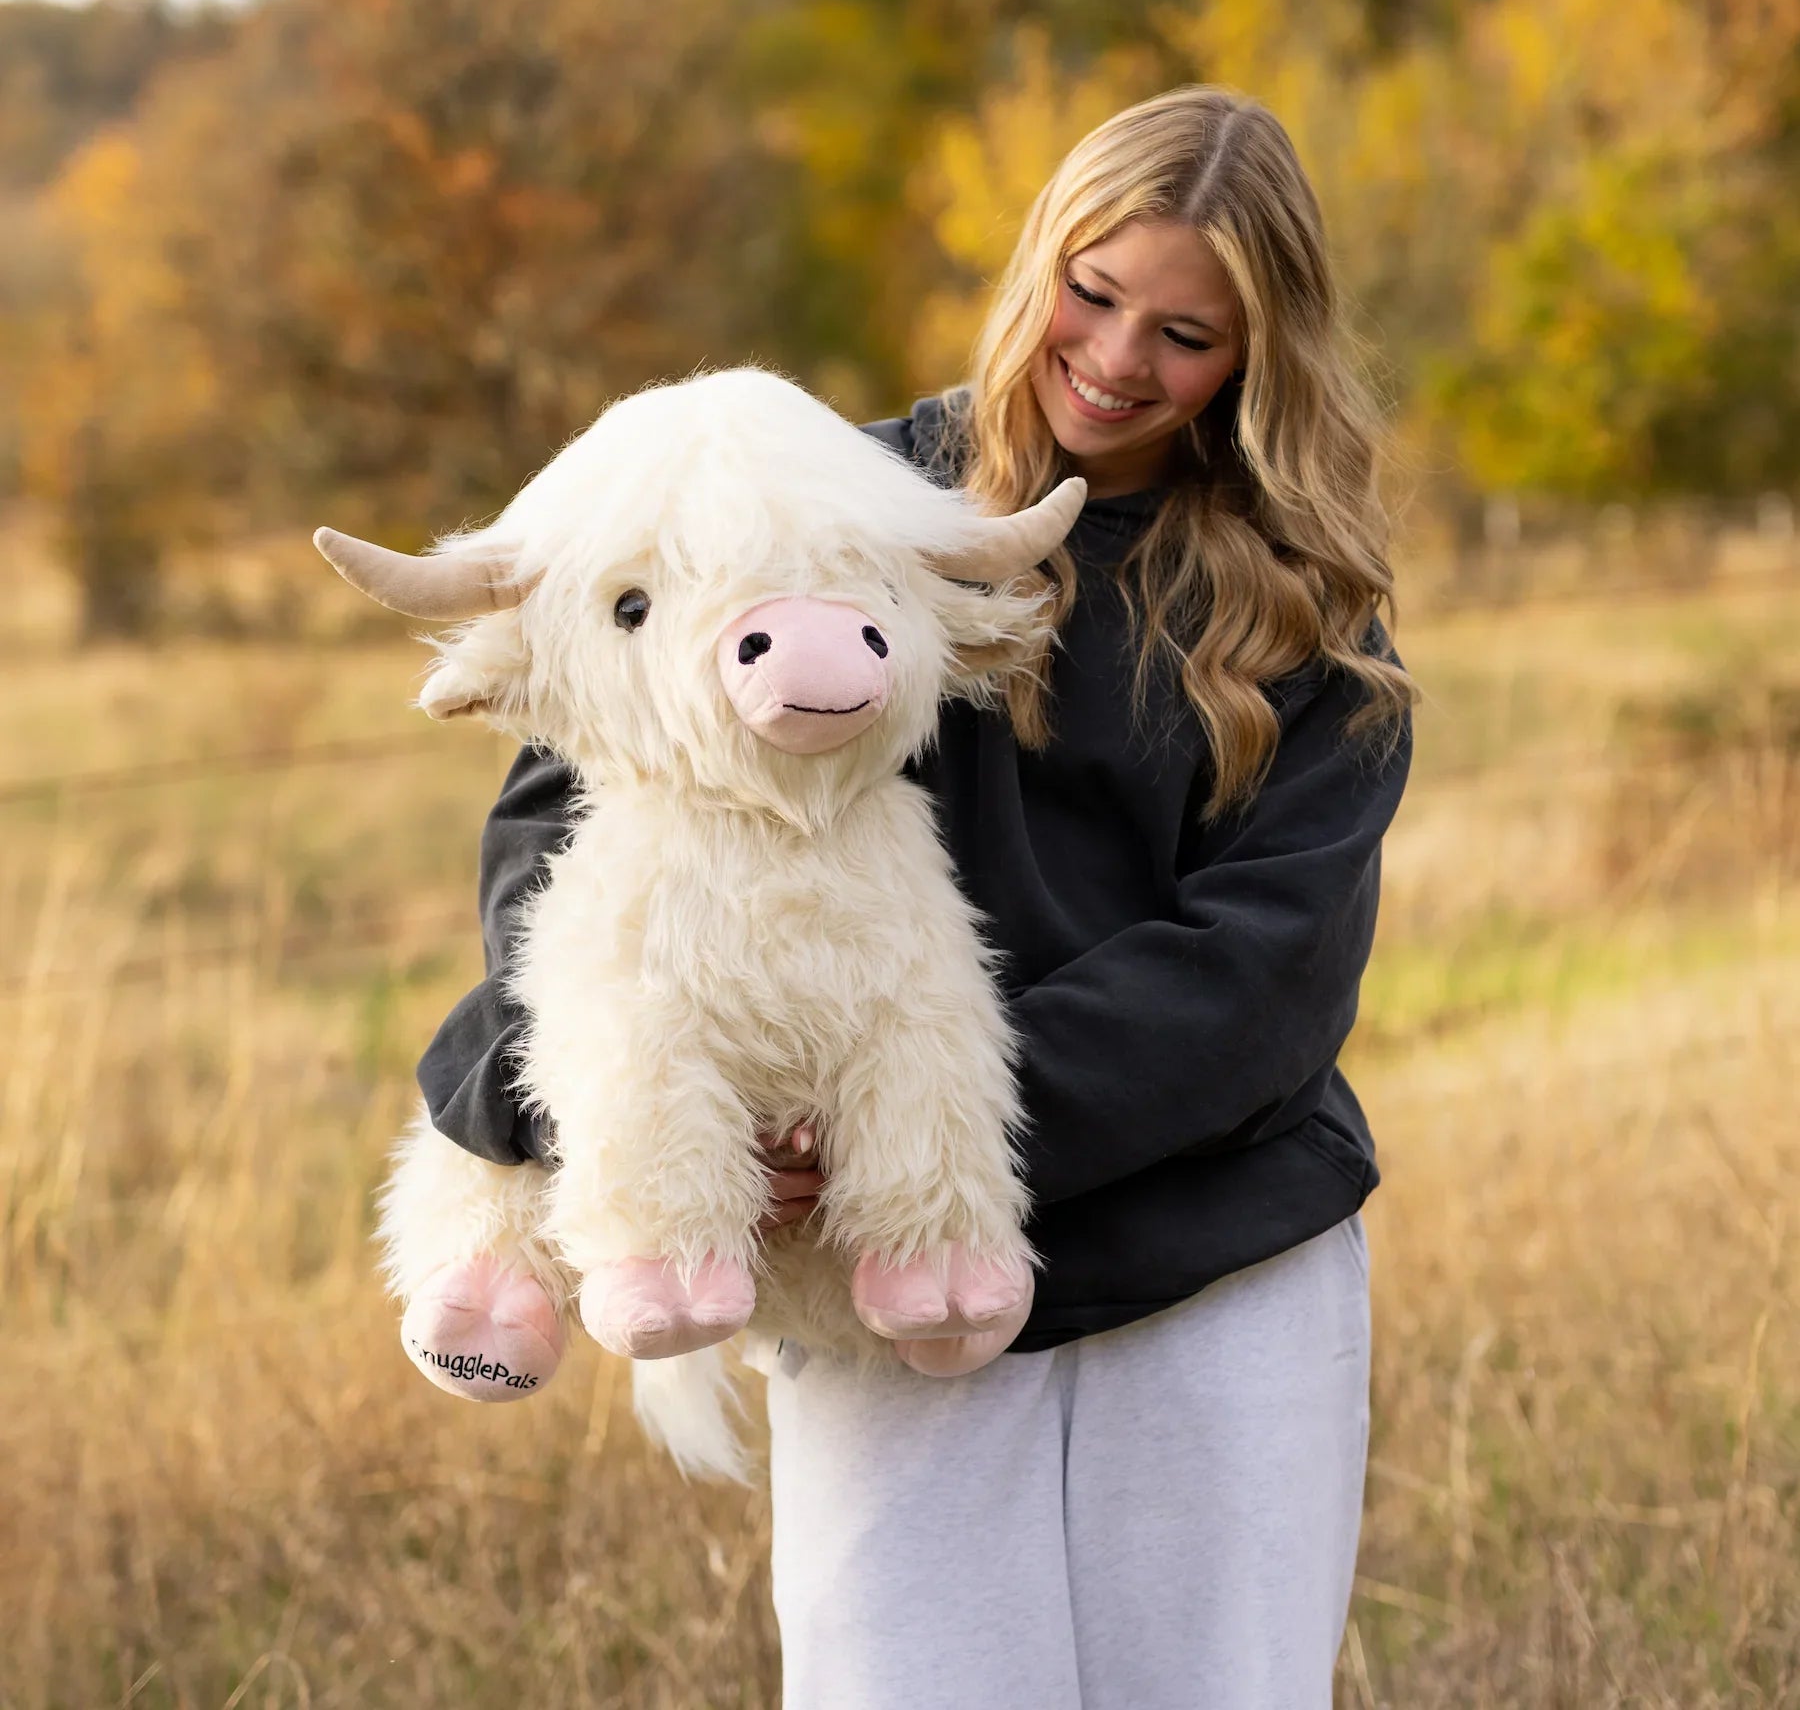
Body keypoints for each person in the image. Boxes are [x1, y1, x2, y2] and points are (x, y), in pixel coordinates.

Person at [417, 84, 1415, 1709]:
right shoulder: (812, 499)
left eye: (1188, 333)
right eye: (1092, 293)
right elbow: (568, 811)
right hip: (878, 1278)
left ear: (1260, 353)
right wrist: (722, 1120)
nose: (1115, 358)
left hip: (1214, 1258)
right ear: (1038, 261)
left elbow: (1269, 974)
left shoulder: (1311, 603)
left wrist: (915, 1128)